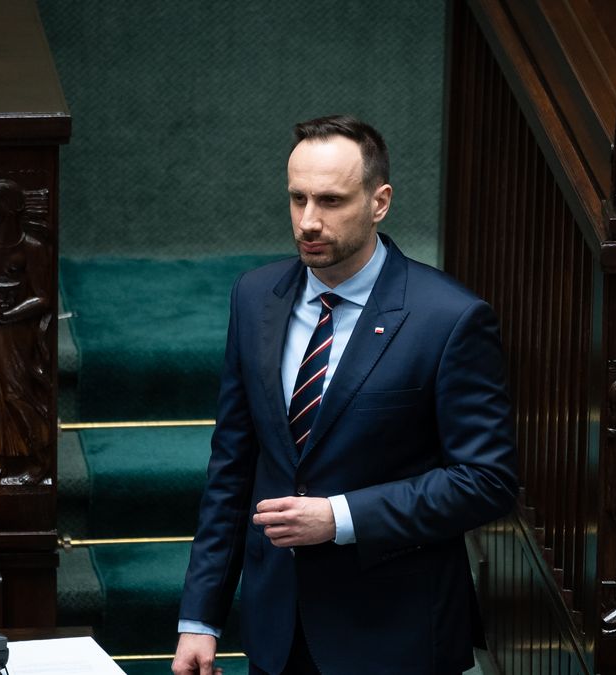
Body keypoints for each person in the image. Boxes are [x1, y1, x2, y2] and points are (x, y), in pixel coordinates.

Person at [172, 115, 519, 675]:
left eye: (331, 201)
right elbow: (233, 467)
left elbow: (486, 480)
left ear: (379, 202)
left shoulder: (450, 318)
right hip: (277, 634)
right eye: (298, 198)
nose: (308, 221)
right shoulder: (255, 296)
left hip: (394, 638)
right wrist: (201, 618)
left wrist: (340, 516)